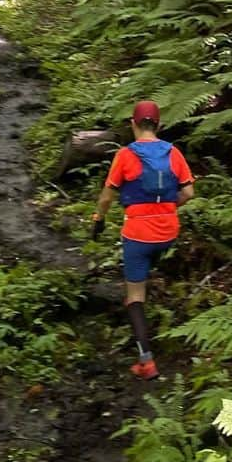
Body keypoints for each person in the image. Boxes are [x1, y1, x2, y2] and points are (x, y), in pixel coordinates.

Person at [90, 100, 194, 380]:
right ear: (158, 125)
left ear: (133, 124)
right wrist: (167, 208)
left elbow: (107, 196)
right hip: (168, 231)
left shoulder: (126, 155)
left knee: (134, 296)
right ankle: (150, 280)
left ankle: (146, 361)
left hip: (138, 234)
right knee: (151, 262)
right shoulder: (173, 153)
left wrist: (98, 220)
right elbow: (188, 193)